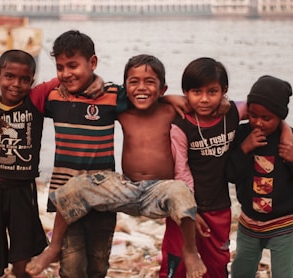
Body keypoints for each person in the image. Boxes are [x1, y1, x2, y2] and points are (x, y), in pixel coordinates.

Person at [27, 54, 207, 278]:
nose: (142, 88)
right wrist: (82, 82)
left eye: (150, 82)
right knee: (74, 187)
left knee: (181, 190)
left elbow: (210, 108)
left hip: (159, 191)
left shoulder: (171, 111)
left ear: (162, 89)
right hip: (126, 187)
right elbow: (97, 93)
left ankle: (190, 253)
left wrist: (178, 99)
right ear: (125, 88)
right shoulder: (122, 110)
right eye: (134, 82)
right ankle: (53, 247)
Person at [159, 57, 247, 278]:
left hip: (219, 206)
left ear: (224, 91)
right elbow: (181, 171)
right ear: (185, 93)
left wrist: (285, 129)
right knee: (176, 263)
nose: (205, 99)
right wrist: (190, 210)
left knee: (217, 264)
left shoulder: (232, 113)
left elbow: (265, 105)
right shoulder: (180, 124)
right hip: (183, 206)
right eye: (196, 92)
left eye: (212, 92)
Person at [0, 49, 60, 278]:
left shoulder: (35, 100)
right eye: (9, 77)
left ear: (32, 81)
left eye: (24, 79)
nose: (16, 84)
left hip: (22, 192)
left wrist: (98, 80)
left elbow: (65, 78)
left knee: (22, 263)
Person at [227, 75, 293, 278]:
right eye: (253, 115)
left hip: (284, 225)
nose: (258, 123)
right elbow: (231, 174)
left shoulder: (289, 142)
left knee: (285, 274)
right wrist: (245, 149)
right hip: (249, 223)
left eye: (267, 118)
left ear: (280, 117)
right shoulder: (241, 134)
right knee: (240, 272)